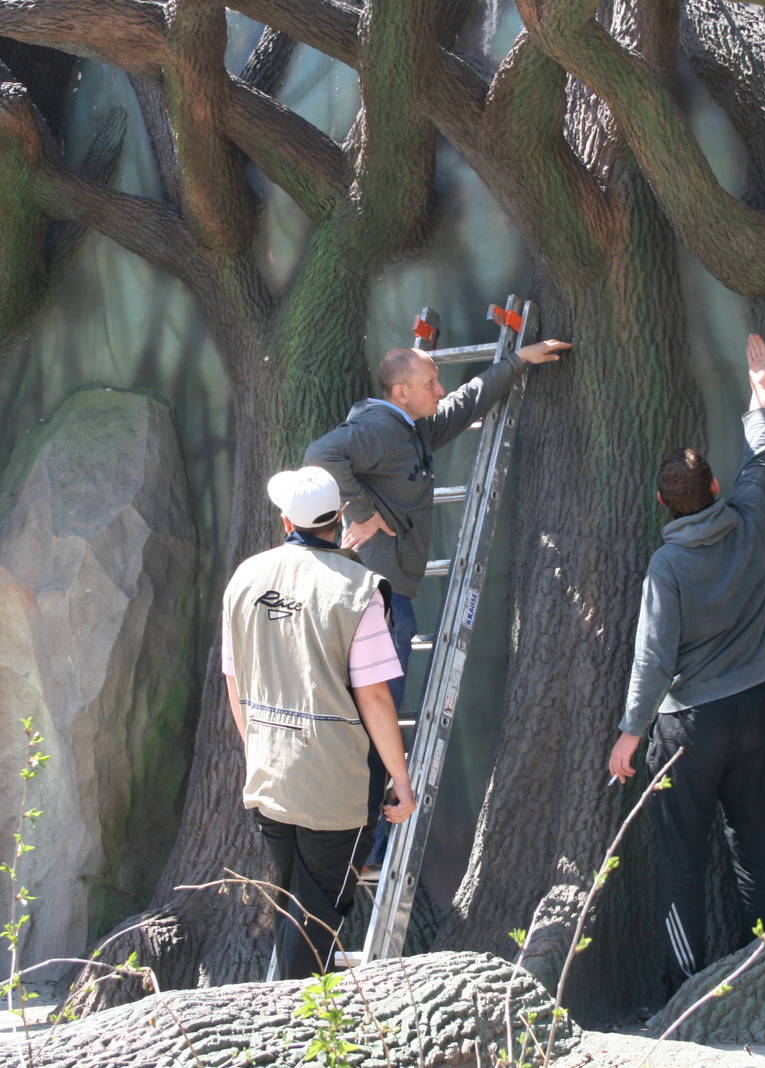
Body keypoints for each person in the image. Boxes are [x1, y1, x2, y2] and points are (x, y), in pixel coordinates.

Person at [607, 333, 765, 994]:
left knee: (683, 859)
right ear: (714, 485)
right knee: (759, 850)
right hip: (756, 710)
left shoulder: (668, 565)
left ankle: (683, 988)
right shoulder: (750, 517)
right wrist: (760, 390)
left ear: (663, 504)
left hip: (688, 729)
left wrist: (630, 734)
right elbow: (760, 459)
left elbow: (653, 658)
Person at [221, 466, 417, 979]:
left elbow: (234, 681)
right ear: (340, 517)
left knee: (295, 901)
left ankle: (291, 1012)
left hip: (269, 775)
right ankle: (301, 1019)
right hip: (337, 784)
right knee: (316, 913)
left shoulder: (246, 577)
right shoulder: (359, 589)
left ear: (287, 521)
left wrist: (259, 751)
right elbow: (373, 695)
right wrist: (400, 779)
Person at [304, 337, 572, 711]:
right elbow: (320, 454)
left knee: (378, 705)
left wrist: (516, 360)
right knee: (377, 708)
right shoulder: (379, 428)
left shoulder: (413, 428)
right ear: (401, 392)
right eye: (430, 383)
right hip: (377, 592)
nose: (439, 390)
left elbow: (463, 404)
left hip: (389, 590)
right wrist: (363, 514)